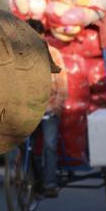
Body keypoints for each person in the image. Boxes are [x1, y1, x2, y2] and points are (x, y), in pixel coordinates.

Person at [28, 18, 61, 198]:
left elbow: (62, 85)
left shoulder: (53, 54)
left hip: (48, 109)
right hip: (27, 110)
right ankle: (28, 177)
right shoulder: (20, 56)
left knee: (50, 144)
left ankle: (49, 182)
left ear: (43, 36)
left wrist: (56, 107)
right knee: (21, 145)